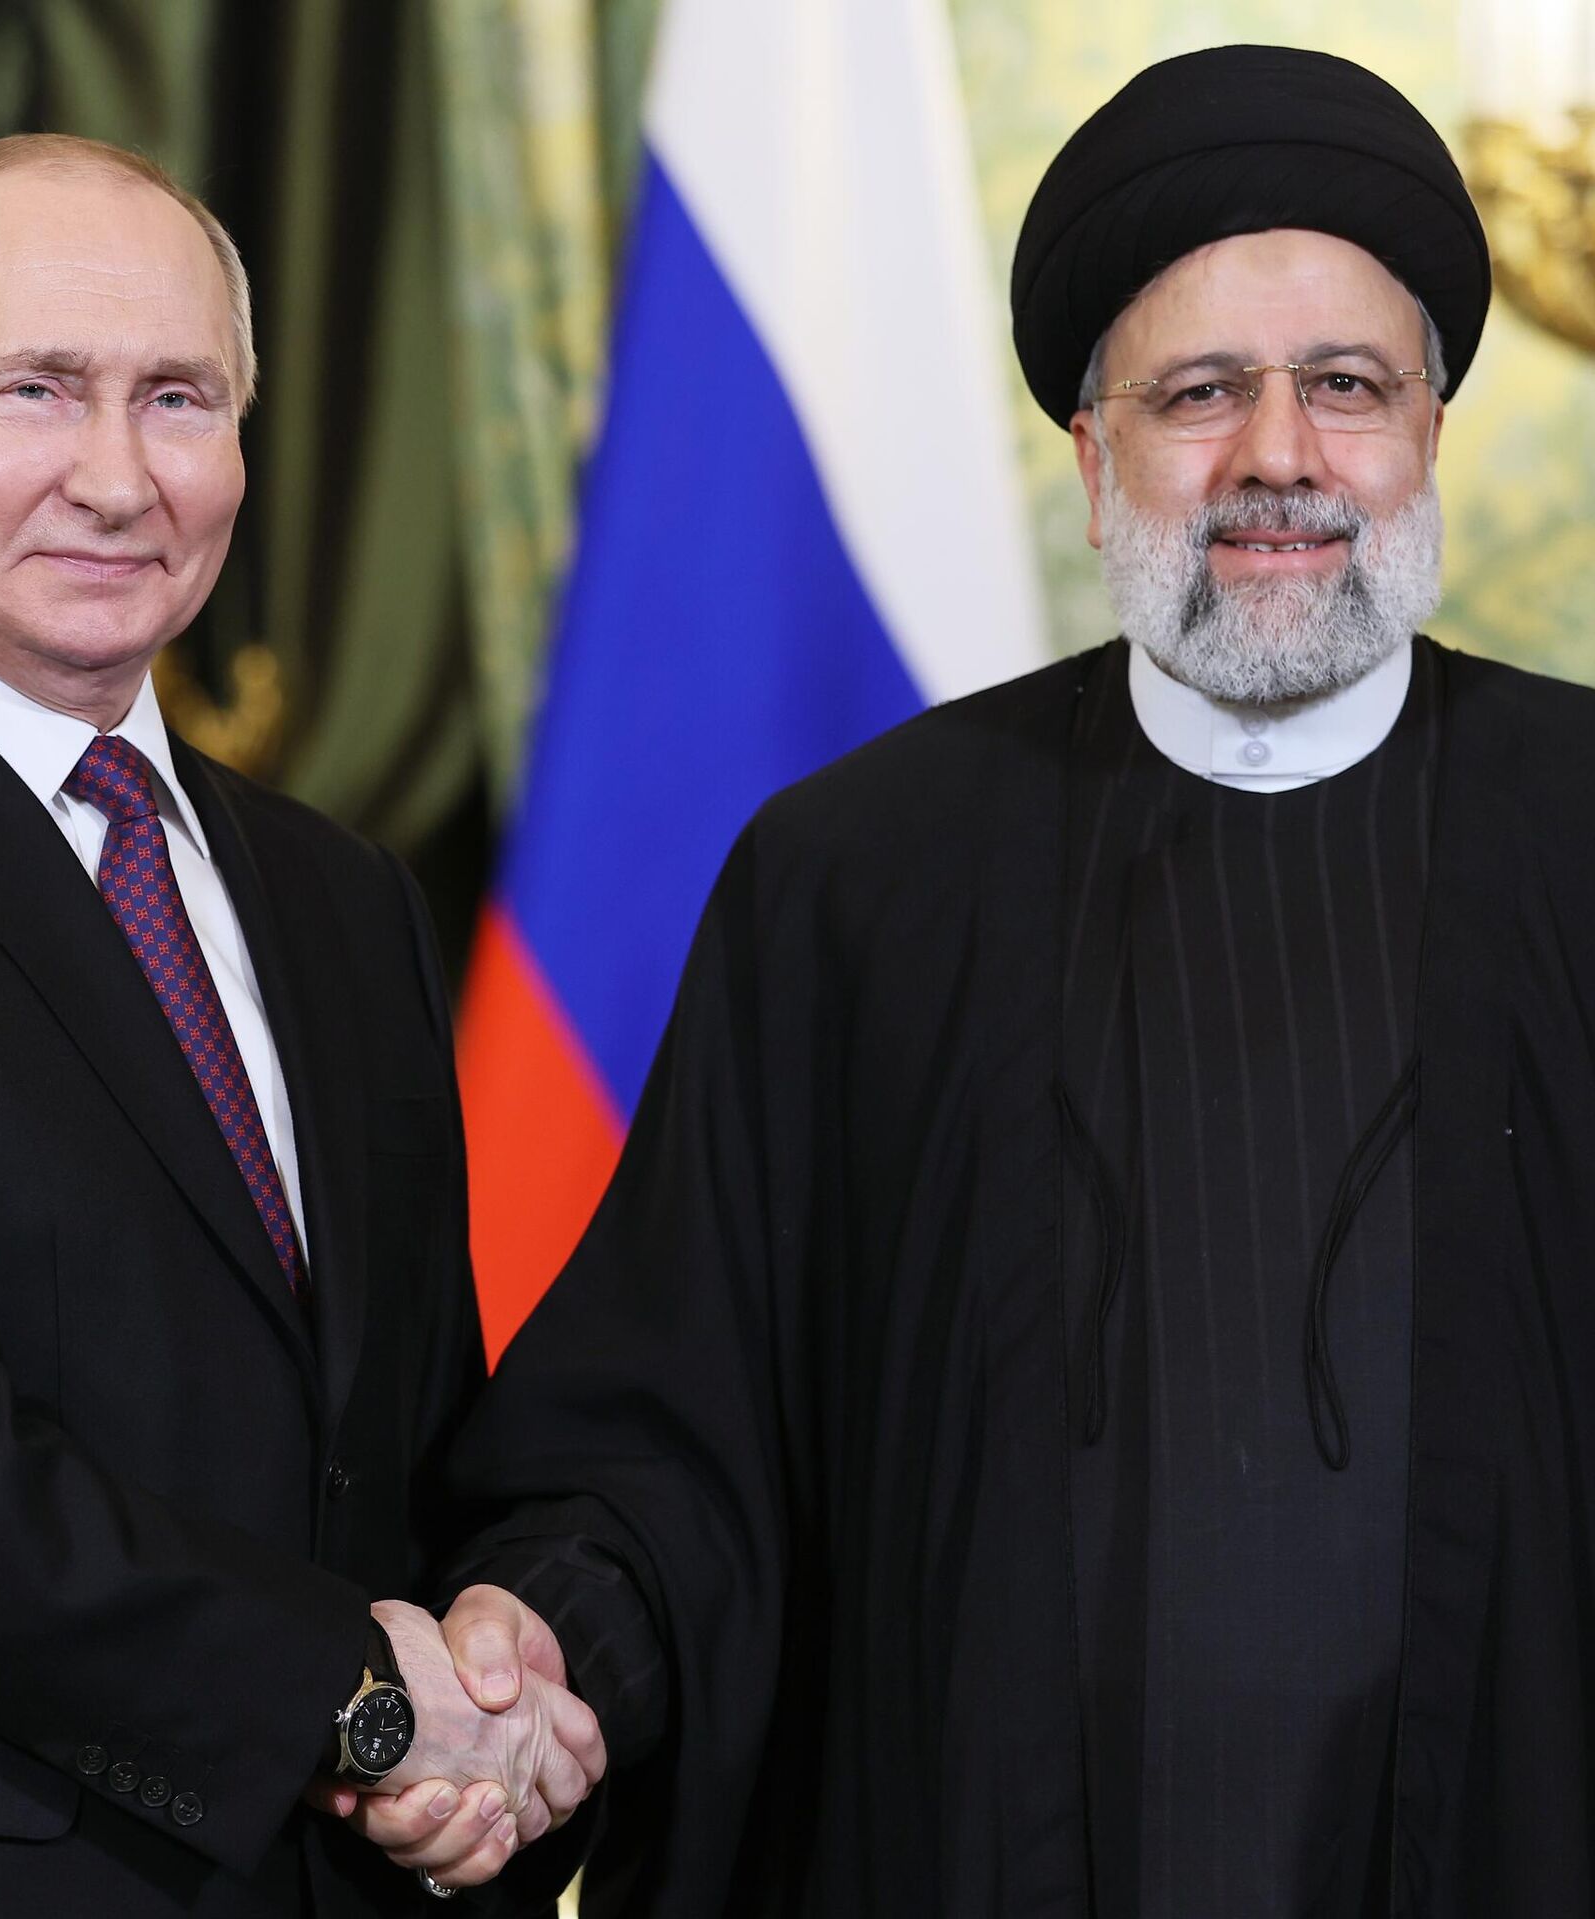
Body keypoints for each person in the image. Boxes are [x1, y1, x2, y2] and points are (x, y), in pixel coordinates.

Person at [347, 44, 1595, 1916]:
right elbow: (675, 1437)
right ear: (1093, 457)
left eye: (1347, 385)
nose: (1278, 455)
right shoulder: (865, 877)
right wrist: (549, 1667)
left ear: (1428, 431)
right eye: (1200, 392)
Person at [0, 134, 600, 1919]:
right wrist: (349, 1701)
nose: (116, 477)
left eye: (178, 399)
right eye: (36, 388)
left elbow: (406, 1450)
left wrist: (503, 1684)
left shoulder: (345, 901)